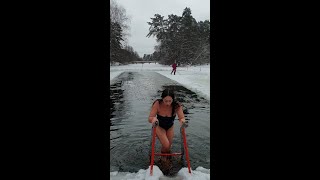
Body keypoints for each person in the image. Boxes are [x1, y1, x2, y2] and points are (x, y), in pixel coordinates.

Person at [148, 89, 186, 164]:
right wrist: (153, 119)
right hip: (159, 126)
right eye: (166, 101)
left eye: (170, 101)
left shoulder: (176, 105)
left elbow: (181, 118)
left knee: (168, 147)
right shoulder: (157, 103)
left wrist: (182, 122)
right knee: (166, 144)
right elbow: (150, 118)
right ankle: (164, 160)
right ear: (162, 99)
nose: (168, 103)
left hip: (170, 127)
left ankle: (165, 159)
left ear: (173, 99)